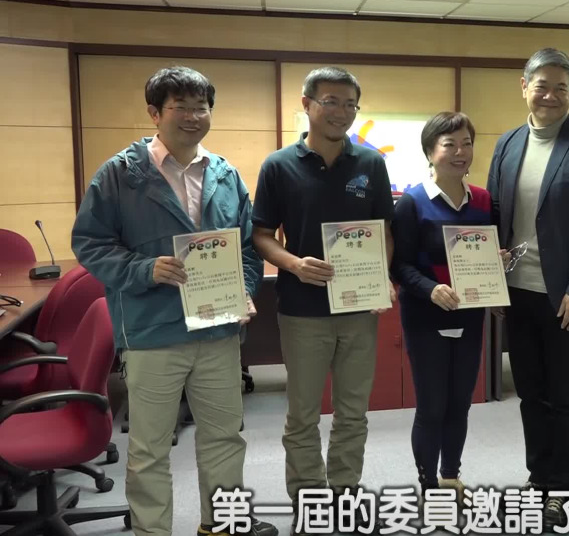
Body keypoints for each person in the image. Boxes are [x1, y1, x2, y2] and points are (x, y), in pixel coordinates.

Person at [72, 66, 276, 536]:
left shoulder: (225, 174)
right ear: (154, 113)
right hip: (152, 332)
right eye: (180, 107)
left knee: (225, 439)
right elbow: (91, 243)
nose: (192, 116)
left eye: (201, 107)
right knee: (150, 449)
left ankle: (220, 526)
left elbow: (246, 246)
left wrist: (245, 289)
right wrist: (144, 269)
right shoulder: (121, 175)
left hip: (218, 330)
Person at [250, 67, 394, 533]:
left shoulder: (370, 163)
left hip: (358, 310)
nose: (341, 112)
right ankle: (309, 497)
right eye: (331, 101)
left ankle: (345, 492)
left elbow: (383, 231)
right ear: (307, 104)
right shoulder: (278, 165)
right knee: (303, 414)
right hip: (302, 310)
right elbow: (261, 234)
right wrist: (293, 264)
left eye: (350, 104)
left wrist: (381, 276)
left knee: (353, 412)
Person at [486, 47, 569, 526]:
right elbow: (493, 216)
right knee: (531, 393)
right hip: (517, 291)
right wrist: (490, 284)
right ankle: (538, 478)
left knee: (566, 395)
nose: (551, 95)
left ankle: (562, 487)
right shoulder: (507, 143)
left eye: (561, 88)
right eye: (542, 86)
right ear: (525, 87)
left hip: (565, 295)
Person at [391, 111, 509, 498]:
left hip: (470, 315)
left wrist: (499, 262)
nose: (460, 152)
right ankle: (428, 485)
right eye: (449, 145)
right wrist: (430, 289)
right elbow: (399, 265)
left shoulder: (484, 201)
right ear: (430, 152)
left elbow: (490, 252)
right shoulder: (412, 202)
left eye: (467, 143)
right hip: (426, 317)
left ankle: (450, 476)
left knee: (460, 403)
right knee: (432, 406)